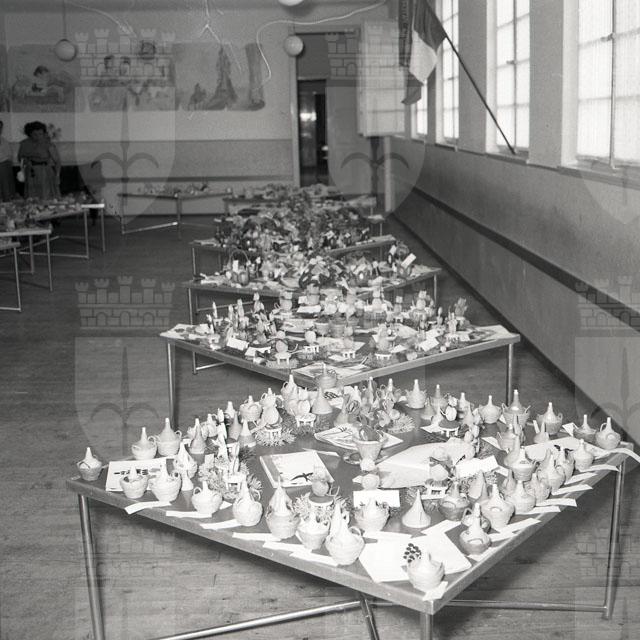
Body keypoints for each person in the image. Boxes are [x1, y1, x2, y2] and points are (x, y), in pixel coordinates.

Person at [17, 121, 61, 200]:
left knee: (47, 196)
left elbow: (57, 161)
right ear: (30, 134)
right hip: (31, 172)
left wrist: (57, 176)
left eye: (40, 134)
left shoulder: (48, 144)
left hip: (45, 172)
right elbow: (20, 158)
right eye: (35, 134)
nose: (38, 137)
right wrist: (26, 161)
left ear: (44, 133)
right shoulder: (24, 143)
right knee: (32, 197)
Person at [0, 120, 16, 201]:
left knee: (6, 190)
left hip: (5, 167)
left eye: (0, 128)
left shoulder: (4, 141)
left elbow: (9, 156)